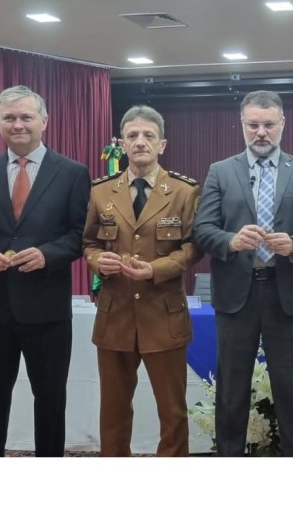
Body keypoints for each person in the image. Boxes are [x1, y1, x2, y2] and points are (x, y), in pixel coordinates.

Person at [0, 85, 91, 457]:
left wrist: (48, 254)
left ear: (44, 121)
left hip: (46, 312)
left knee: (50, 404)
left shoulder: (73, 173)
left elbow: (81, 235)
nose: (18, 124)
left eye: (26, 117)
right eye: (9, 117)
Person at [193, 90, 293, 456]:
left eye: (268, 125)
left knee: (290, 388)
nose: (261, 133)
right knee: (232, 390)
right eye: (253, 125)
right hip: (235, 297)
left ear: (282, 124)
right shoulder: (220, 172)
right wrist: (232, 241)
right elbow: (202, 229)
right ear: (242, 125)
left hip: (284, 294)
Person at [82, 105, 202, 456]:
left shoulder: (183, 191)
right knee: (114, 413)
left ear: (162, 144)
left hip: (163, 314)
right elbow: (88, 243)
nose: (140, 142)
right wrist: (96, 261)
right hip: (115, 314)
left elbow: (194, 248)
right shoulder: (101, 191)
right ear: (122, 143)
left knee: (173, 413)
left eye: (148, 135)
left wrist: (156, 269)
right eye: (132, 136)